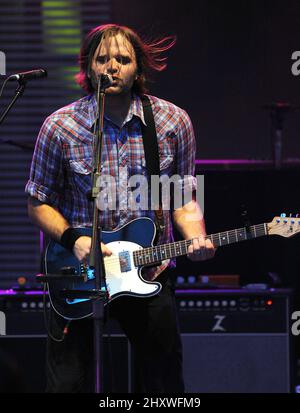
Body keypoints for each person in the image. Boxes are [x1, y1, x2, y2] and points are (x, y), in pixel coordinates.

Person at [25, 24, 215, 393]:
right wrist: (76, 240)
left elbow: (183, 197)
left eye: (123, 59)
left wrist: (197, 237)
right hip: (78, 272)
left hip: (150, 269)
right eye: (102, 59)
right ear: (88, 68)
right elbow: (37, 203)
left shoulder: (172, 123)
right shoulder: (60, 126)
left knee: (162, 383)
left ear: (138, 69)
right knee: (66, 383)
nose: (111, 67)